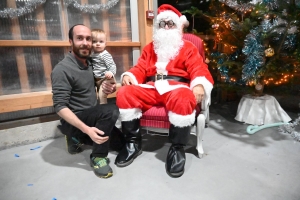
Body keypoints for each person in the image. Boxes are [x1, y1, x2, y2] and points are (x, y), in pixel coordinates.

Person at [115, 4, 214, 178]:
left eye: (171, 23)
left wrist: (198, 84)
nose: (166, 27)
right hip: (152, 87)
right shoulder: (150, 48)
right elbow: (140, 68)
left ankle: (176, 149)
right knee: (125, 93)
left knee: (184, 97)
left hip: (177, 88)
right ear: (158, 26)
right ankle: (132, 144)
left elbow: (199, 68)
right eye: (163, 24)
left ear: (178, 26)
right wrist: (129, 75)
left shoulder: (189, 48)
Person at [51, 24, 123, 179]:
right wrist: (87, 130)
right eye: (79, 38)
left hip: (92, 115)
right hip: (76, 120)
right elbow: (60, 107)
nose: (85, 42)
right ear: (70, 41)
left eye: (88, 39)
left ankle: (77, 138)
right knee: (111, 110)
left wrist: (110, 87)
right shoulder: (62, 69)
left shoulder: (91, 63)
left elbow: (103, 83)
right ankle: (98, 157)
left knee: (122, 144)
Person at [89, 29, 117, 104]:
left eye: (101, 42)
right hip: (97, 78)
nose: (98, 44)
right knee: (94, 96)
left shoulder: (105, 55)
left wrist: (110, 72)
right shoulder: (92, 54)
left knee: (102, 96)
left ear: (105, 44)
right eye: (94, 41)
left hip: (106, 78)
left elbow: (112, 65)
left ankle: (103, 109)